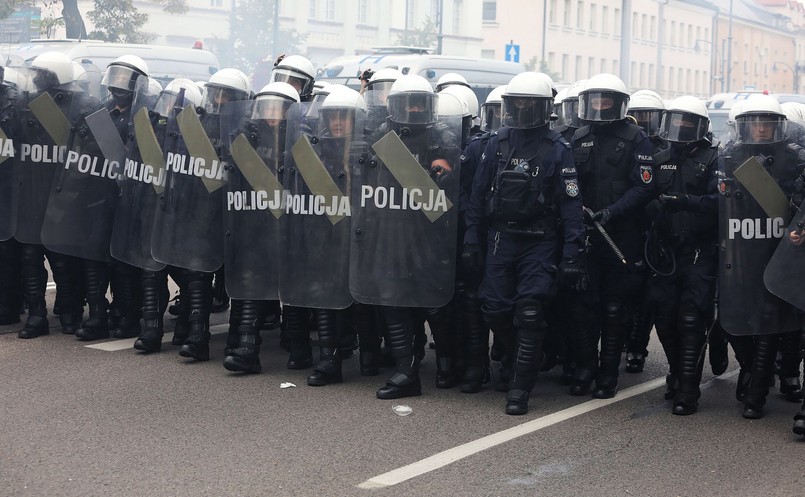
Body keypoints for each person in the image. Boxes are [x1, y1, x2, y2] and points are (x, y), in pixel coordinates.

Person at [462, 72, 586, 415]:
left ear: (544, 107)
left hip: (540, 239)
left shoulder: (557, 149)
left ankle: (520, 387)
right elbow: (476, 197)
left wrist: (573, 252)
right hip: (502, 236)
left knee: (529, 312)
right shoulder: (496, 144)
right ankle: (524, 357)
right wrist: (472, 239)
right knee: (494, 307)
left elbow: (571, 205)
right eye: (518, 102)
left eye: (531, 103)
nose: (524, 108)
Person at [568, 73, 655, 398]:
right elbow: (567, 182)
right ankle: (585, 369)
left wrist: (613, 211)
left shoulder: (636, 138)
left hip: (622, 235)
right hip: (587, 235)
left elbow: (645, 185)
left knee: (615, 308)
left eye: (607, 100)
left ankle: (607, 375)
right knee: (583, 307)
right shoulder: (579, 136)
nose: (600, 106)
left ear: (618, 103)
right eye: (596, 99)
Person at [719, 94, 805, 419]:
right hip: (744, 250)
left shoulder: (795, 157)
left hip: (783, 249)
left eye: (767, 123)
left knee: (776, 319)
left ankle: (761, 392)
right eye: (755, 124)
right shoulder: (730, 156)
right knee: (736, 318)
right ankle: (752, 372)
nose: (761, 130)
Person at [645, 96, 719, 415]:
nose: (682, 128)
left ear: (701, 127)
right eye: (677, 121)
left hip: (699, 251)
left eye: (689, 122)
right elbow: (643, 196)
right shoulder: (658, 158)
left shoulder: (714, 159)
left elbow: (721, 202)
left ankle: (689, 390)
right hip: (664, 252)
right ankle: (676, 372)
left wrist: (686, 201)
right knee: (664, 319)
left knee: (690, 320)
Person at [622, 89, 667, 373]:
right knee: (626, 292)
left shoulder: (668, 149)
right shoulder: (626, 144)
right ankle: (627, 341)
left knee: (649, 296)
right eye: (637, 116)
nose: (642, 122)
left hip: (658, 230)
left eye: (649, 117)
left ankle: (637, 347)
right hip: (629, 224)